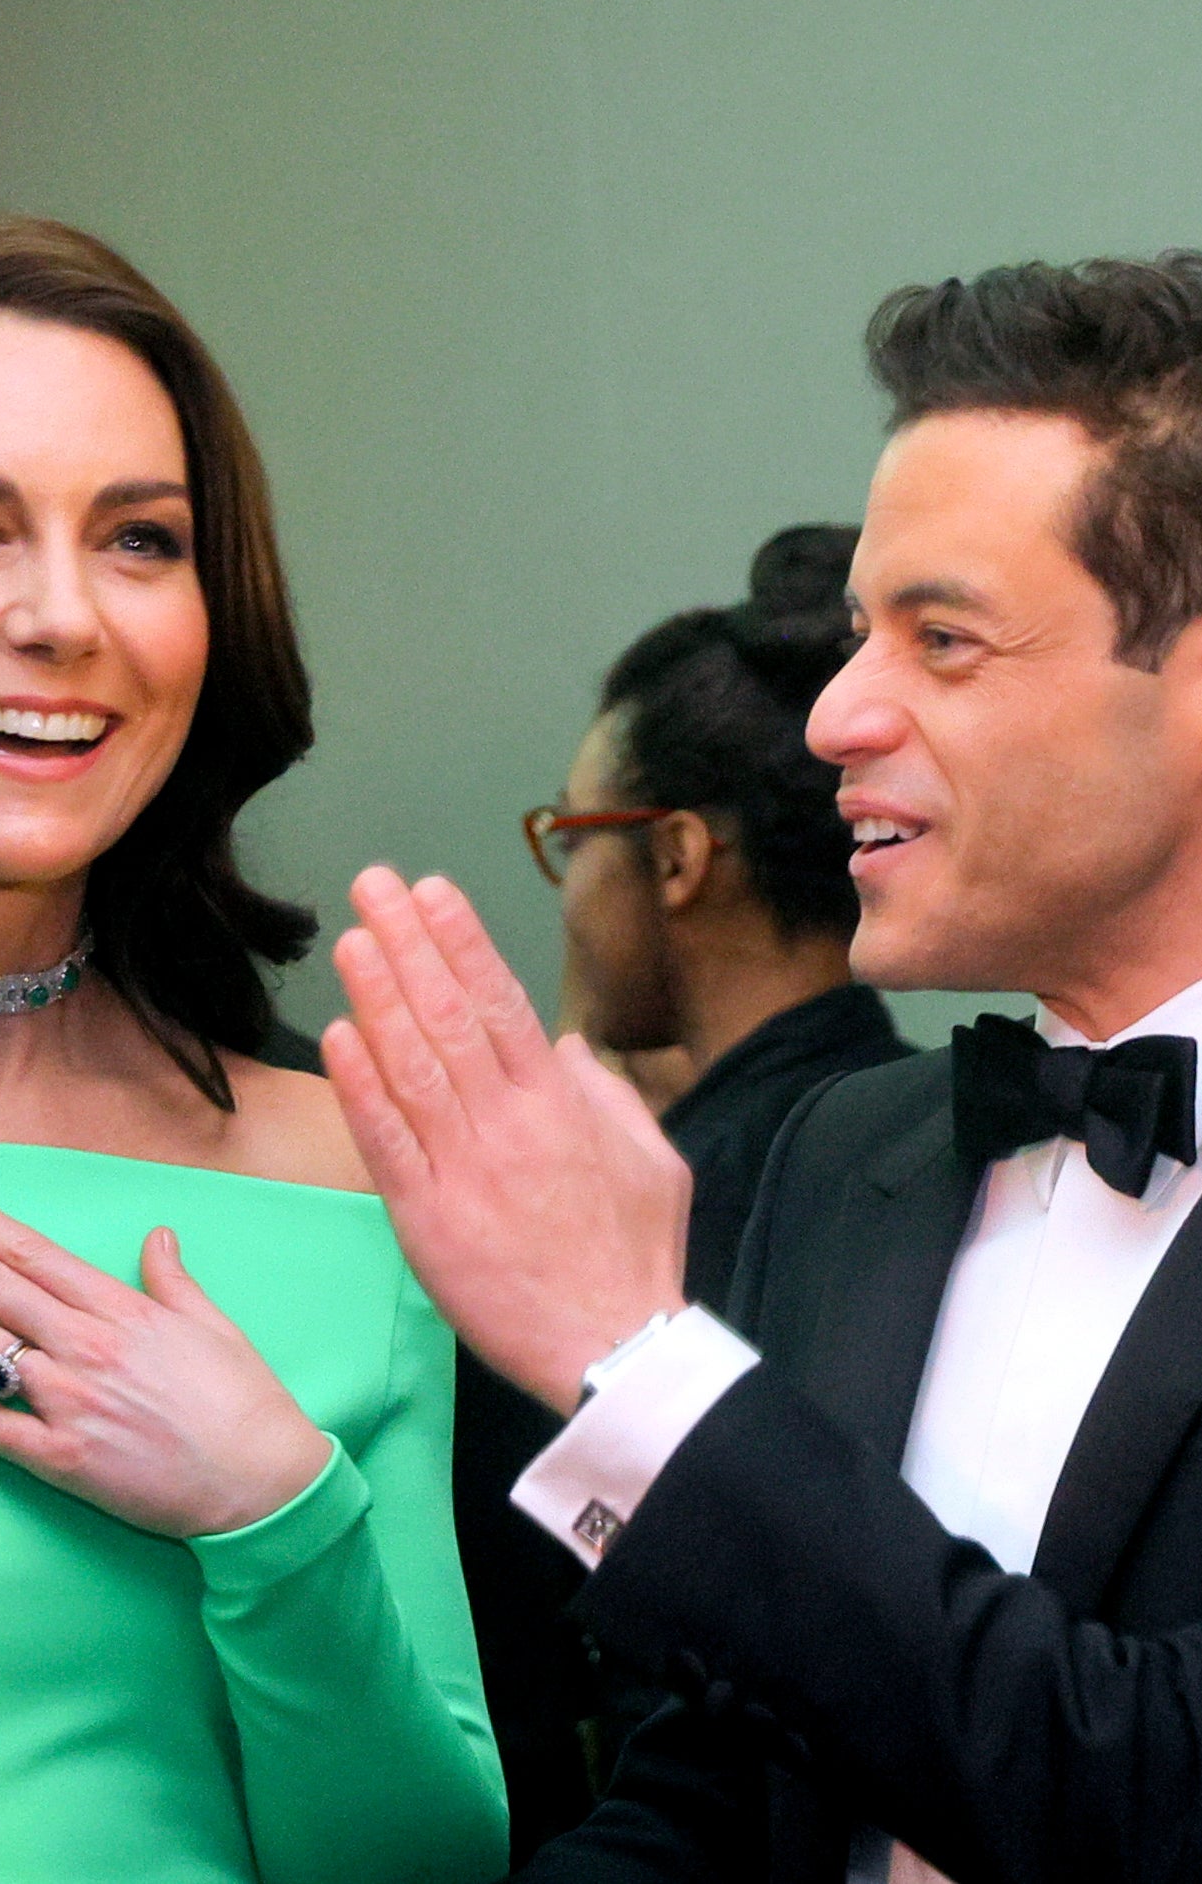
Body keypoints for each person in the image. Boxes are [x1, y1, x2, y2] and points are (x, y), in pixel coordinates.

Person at [324, 253, 1202, 1880]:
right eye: (864, 634)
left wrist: (633, 1367)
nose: (837, 717)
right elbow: (717, 1797)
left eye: (943, 640)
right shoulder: (856, 1151)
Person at [0, 211, 507, 1884]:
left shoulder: (339, 1164)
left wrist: (273, 1510)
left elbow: (417, 1863)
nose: (64, 617)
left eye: (139, 542)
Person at [465, 525, 910, 1860]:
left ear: (672, 858)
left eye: (574, 839)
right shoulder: (943, 1149)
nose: (567, 893)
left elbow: (534, 1623)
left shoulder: (648, 1218)